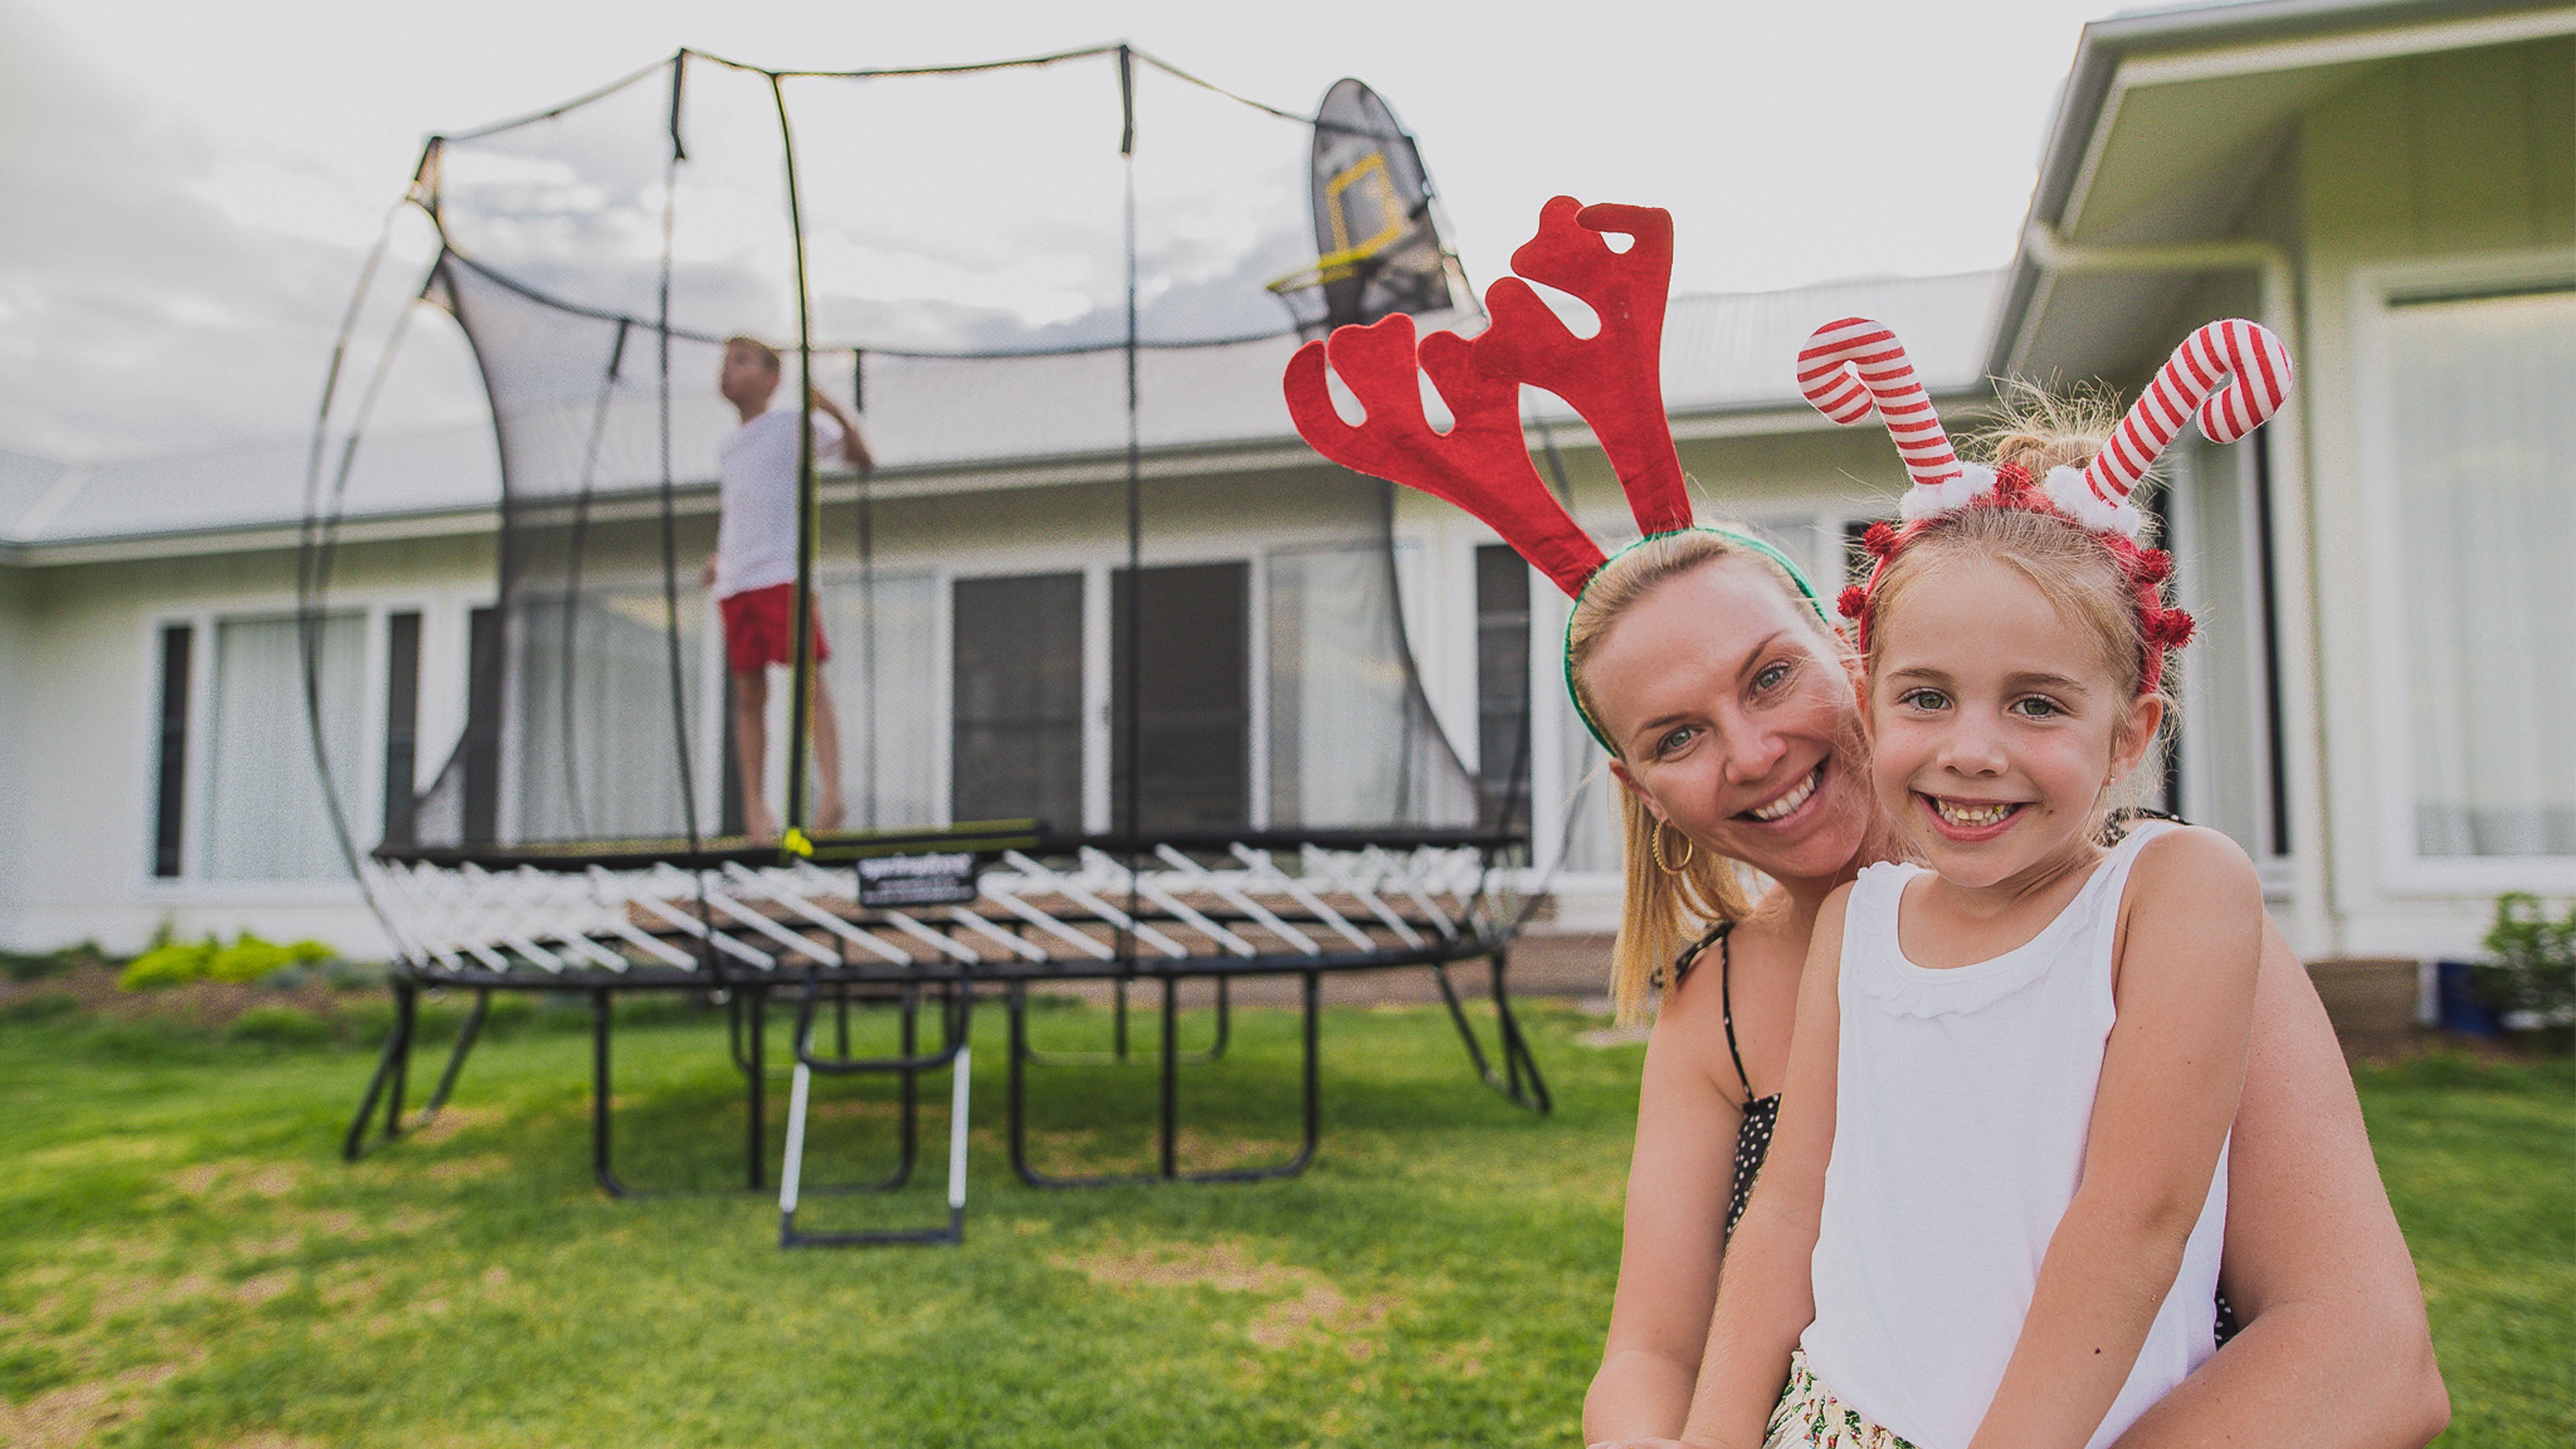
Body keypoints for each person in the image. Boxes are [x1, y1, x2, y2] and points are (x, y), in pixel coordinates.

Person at [1277, 199, 2445, 1449]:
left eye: (1771, 675)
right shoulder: (1722, 1005)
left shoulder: (2156, 918)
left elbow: (2366, 1357)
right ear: (1644, 794)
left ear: (1853, 654)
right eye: (1676, 736)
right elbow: (1655, 1350)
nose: (1754, 750)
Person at [704, 335, 872, 843]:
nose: (727, 371)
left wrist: (837, 412)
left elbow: (862, 459)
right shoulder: (729, 446)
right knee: (748, 694)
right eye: (726, 362)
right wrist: (721, 557)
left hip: (783, 574)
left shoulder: (793, 426)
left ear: (772, 378)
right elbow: (743, 511)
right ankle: (757, 811)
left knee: (808, 682)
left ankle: (833, 794)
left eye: (741, 361)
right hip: (738, 580)